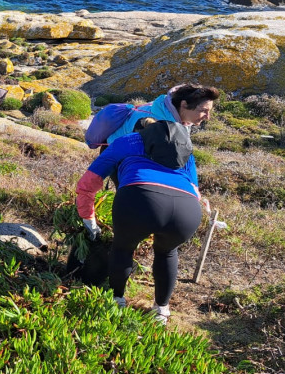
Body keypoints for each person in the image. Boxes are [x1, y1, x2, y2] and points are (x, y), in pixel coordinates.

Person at [76, 120, 206, 325]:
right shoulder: (185, 150)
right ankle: (161, 311)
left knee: (123, 249)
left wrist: (88, 217)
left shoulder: (127, 141)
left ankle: (117, 300)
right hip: (187, 208)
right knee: (167, 252)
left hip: (140, 198)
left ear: (140, 131)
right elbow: (195, 191)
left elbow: (87, 184)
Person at [106, 83, 220, 144]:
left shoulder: (179, 118)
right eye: (203, 111)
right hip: (117, 156)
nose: (207, 117)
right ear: (184, 105)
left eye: (209, 111)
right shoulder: (151, 122)